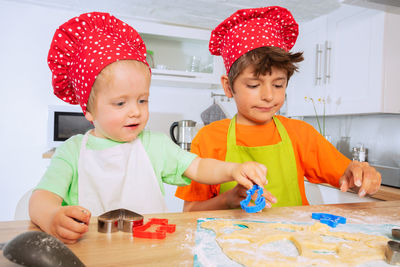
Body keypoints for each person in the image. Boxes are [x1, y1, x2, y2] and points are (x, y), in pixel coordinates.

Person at [29, 12, 268, 244]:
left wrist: (234, 169)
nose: (135, 111)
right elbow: (41, 198)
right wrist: (52, 218)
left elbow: (198, 166)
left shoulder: (155, 144)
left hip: (151, 251)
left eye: (142, 100)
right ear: (89, 111)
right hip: (92, 255)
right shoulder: (72, 152)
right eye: (120, 103)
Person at [175, 6, 381, 211]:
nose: (268, 96)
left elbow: (347, 175)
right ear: (228, 87)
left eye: (278, 85)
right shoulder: (209, 138)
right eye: (254, 85)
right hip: (230, 242)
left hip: (294, 240)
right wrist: (228, 200)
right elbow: (190, 211)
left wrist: (361, 173)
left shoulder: (300, 134)